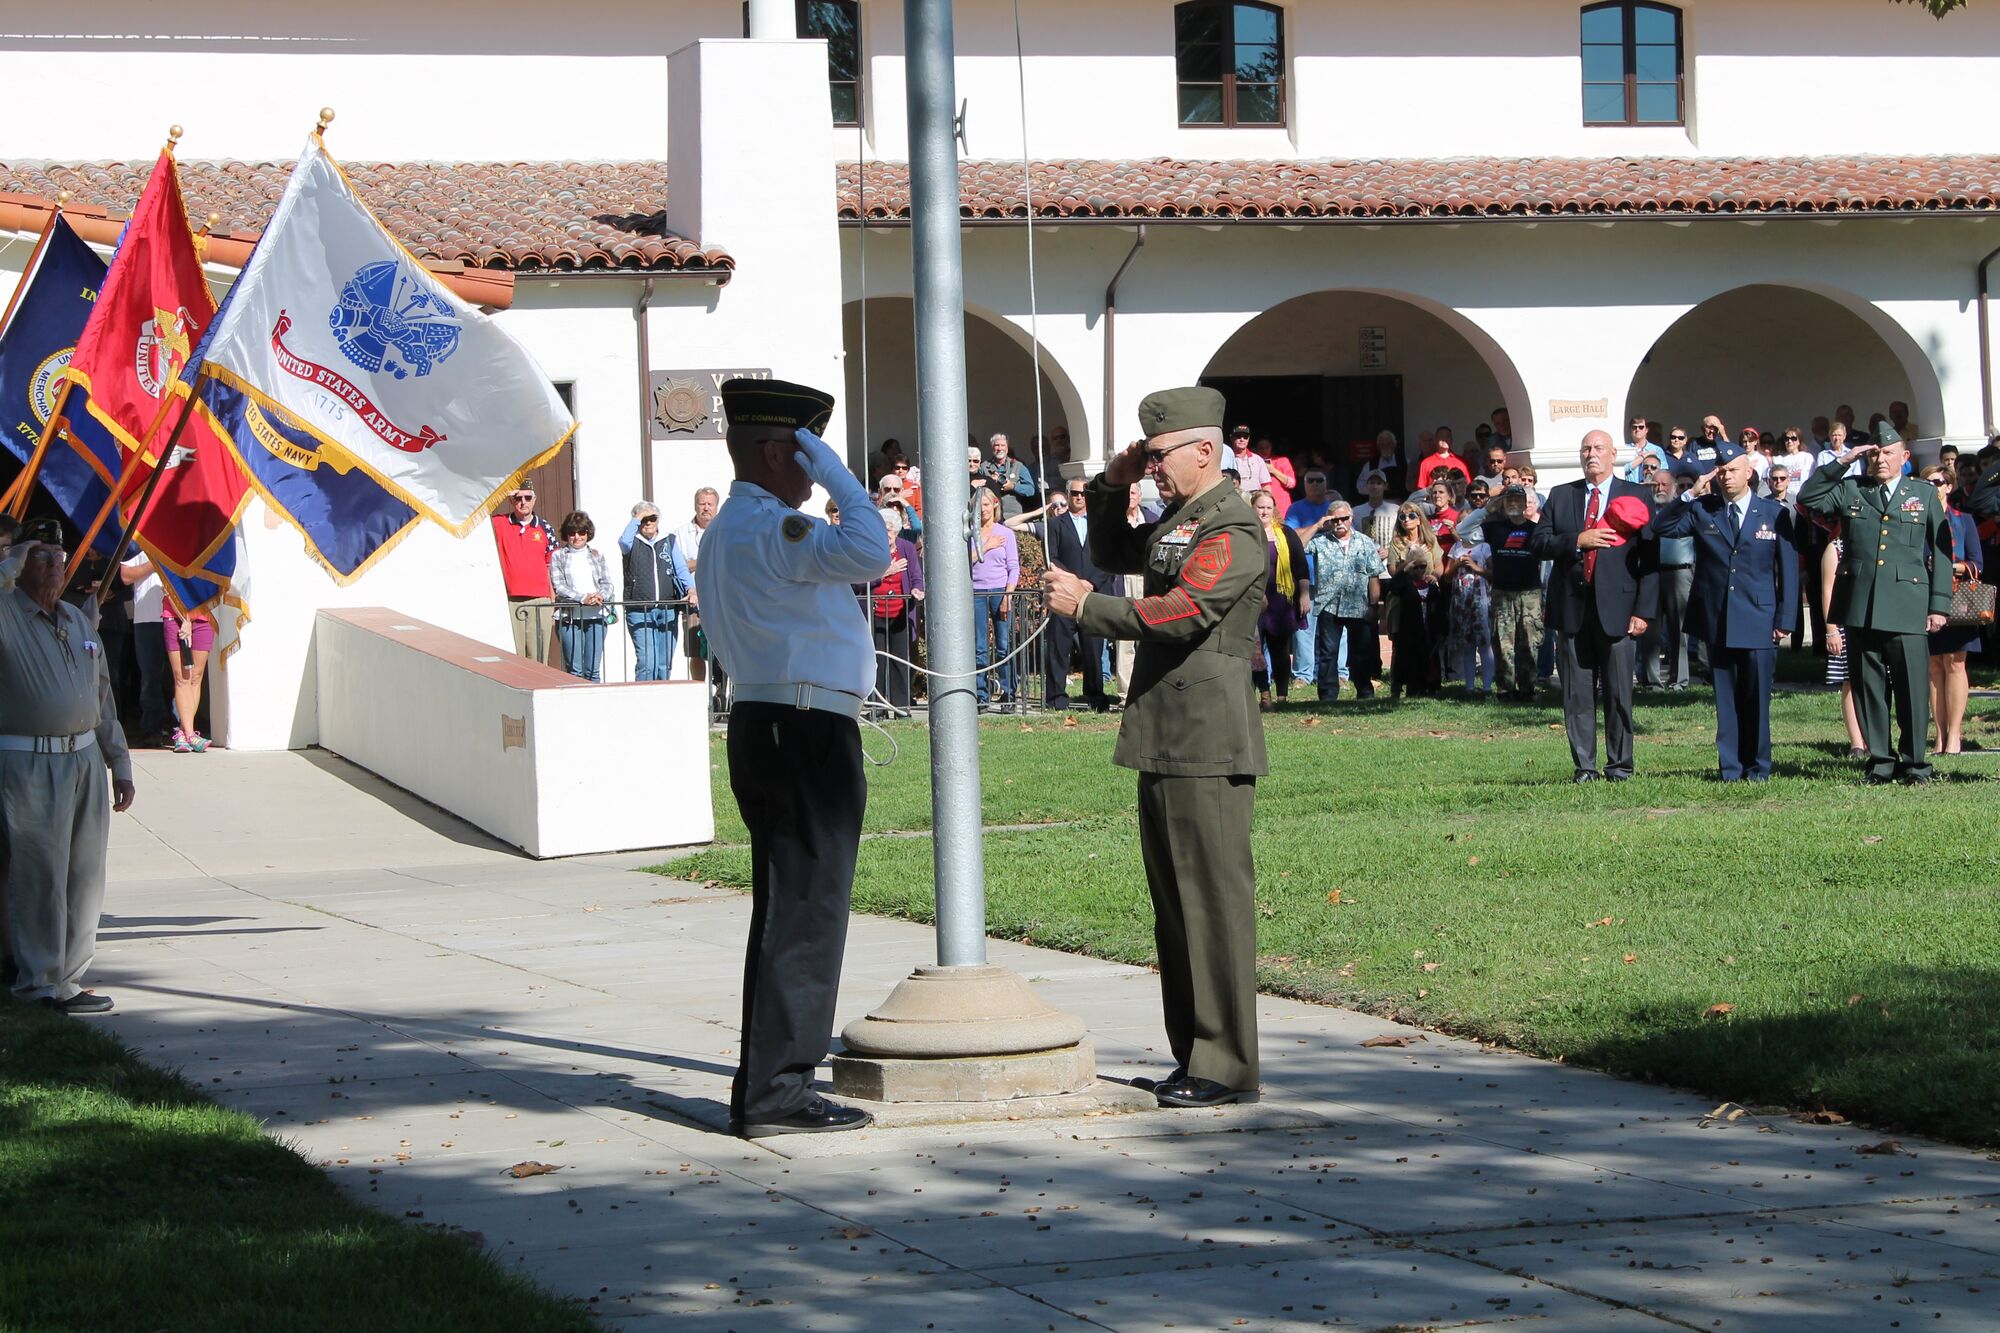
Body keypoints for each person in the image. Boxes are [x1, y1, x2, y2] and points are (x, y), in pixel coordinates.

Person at [1042, 387, 1266, 1109]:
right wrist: (1114, 484)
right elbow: (1112, 549)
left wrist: (1087, 608)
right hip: (1168, 732)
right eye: (1148, 456)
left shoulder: (1230, 527)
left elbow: (1184, 610)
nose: (1155, 467)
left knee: (1213, 906)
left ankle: (1227, 1063)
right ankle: (1194, 1052)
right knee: (1175, 909)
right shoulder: (1185, 519)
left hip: (1208, 738)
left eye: (1160, 455)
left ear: (1207, 450)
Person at [696, 378, 889, 1138]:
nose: (812, 477)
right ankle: (778, 1090)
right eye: (804, 455)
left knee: (790, 907)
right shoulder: (770, 529)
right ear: (779, 450)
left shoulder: (735, 530)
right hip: (800, 726)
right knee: (805, 910)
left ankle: (771, 1081)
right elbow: (873, 548)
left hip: (776, 722)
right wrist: (840, 472)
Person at [1, 542, 135, 1013]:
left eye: (60, 559)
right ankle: (39, 980)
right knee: (40, 874)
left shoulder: (78, 620)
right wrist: (9, 563)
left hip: (83, 760)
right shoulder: (6, 613)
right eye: (40, 558)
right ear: (20, 566)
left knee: (84, 875)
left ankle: (70, 979)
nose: (55, 568)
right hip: (28, 761)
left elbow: (102, 696)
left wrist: (119, 760)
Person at [1799, 428, 1952, 784]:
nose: (1880, 460)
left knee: (1912, 689)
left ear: (1904, 457)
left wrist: (1939, 605)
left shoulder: (1923, 494)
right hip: (1861, 604)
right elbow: (1809, 497)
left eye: (1887, 453)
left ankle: (1915, 764)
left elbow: (1942, 554)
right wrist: (1843, 462)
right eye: (1874, 454)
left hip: (1907, 605)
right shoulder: (1853, 489)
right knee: (1869, 688)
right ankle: (1881, 762)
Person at [1650, 440, 1797, 781]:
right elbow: (1661, 529)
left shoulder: (1773, 514)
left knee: (1756, 698)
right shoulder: (1704, 510)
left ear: (1749, 473)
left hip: (1759, 617)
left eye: (1734, 470)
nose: (1727, 477)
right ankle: (1730, 767)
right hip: (1717, 617)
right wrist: (1689, 494)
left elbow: (1787, 571)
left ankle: (1758, 767)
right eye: (1722, 471)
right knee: (1726, 699)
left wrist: (1786, 618)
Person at [1531, 431, 1658, 783]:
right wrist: (1577, 541)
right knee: (1577, 697)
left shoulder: (1636, 495)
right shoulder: (1561, 496)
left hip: (1619, 611)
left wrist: (1644, 611)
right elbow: (1538, 543)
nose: (1592, 454)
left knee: (1618, 695)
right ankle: (1585, 768)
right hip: (1572, 611)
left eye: (1599, 448)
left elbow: (1650, 561)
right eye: (1586, 448)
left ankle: (1620, 767)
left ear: (1613, 454)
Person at [1921, 465, 1980, 754]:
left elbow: (1977, 563)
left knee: (1955, 662)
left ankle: (1955, 734)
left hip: (1959, 600)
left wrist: (1953, 567)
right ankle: (1940, 734)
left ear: (1949, 486)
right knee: (1934, 665)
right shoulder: (1915, 520)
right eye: (1927, 482)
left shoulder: (1963, 520)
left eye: (1938, 482)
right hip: (1925, 598)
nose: (1933, 486)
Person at [1299, 500, 1384, 701]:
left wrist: (1374, 605)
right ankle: (1327, 695)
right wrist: (1318, 525)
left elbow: (1374, 576)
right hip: (1329, 605)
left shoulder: (1365, 542)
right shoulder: (1320, 542)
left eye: (1344, 518)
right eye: (1335, 519)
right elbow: (1298, 545)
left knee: (1361, 653)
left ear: (1351, 518)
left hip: (1359, 606)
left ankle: (1364, 692)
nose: (1340, 523)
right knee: (1328, 652)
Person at [1043, 476, 1114, 712]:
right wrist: (1073, 582)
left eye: (1083, 493)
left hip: (1092, 594)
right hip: (1064, 595)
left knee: (1093, 648)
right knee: (1058, 647)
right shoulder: (1055, 524)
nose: (1079, 497)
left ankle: (1095, 695)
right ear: (1068, 495)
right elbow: (1051, 558)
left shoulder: (1099, 524)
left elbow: (1107, 559)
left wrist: (1090, 584)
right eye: (1075, 493)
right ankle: (1056, 697)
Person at [1249, 489, 1310, 709]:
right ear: (1252, 508)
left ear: (1274, 509)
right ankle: (1264, 694)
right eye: (1260, 507)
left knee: (1280, 651)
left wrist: (1304, 595)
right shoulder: (1245, 533)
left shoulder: (1286, 533)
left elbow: (1301, 566)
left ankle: (1282, 697)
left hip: (1281, 600)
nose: (1264, 511)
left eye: (1268, 507)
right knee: (1255, 650)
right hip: (1253, 600)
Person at [1639, 469, 1697, 691]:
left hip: (1680, 573)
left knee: (1679, 629)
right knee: (1651, 629)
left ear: (1674, 488)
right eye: (1655, 484)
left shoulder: (1683, 511)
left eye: (1664, 485)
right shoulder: (1645, 511)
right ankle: (1653, 681)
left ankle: (1679, 679)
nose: (1660, 489)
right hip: (1652, 573)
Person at [622, 503, 692, 682]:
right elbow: (623, 541)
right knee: (647, 662)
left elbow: (681, 569)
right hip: (639, 609)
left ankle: (662, 702)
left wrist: (691, 589)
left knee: (664, 662)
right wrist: (637, 518)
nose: (648, 523)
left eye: (652, 518)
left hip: (667, 609)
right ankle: (643, 703)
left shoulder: (669, 540)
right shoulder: (631, 542)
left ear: (658, 520)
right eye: (643, 519)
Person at [1485, 486, 1542, 700]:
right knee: (1502, 642)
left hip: (1529, 592)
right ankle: (1505, 689)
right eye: (1509, 500)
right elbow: (1463, 530)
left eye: (1518, 499)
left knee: (1530, 641)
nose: (1514, 504)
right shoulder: (1494, 528)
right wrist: (1491, 505)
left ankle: (1528, 689)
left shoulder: (1535, 529)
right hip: (1502, 592)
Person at [493, 481, 559, 663]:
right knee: (513, 656)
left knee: (538, 657)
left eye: (527, 497)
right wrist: (504, 492)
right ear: (511, 501)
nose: (523, 502)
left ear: (534, 500)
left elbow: (552, 568)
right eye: (518, 498)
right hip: (511, 599)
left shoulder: (545, 528)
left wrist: (553, 602)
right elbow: (479, 512)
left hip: (540, 599)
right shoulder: (499, 523)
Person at [1384, 505, 1444, 699]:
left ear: (1419, 519)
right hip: (1403, 597)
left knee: (1428, 639)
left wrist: (1434, 576)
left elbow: (1439, 564)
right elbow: (1393, 572)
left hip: (1426, 593)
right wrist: (1407, 561)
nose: (1406, 520)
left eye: (1411, 516)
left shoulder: (1430, 540)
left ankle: (1428, 682)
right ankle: (1397, 684)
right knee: (1401, 644)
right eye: (1402, 517)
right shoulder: (1396, 543)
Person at [869, 506, 924, 716]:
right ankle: (878, 708)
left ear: (897, 531)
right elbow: (859, 582)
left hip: (900, 613)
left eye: (890, 531)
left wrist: (918, 590)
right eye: (882, 530)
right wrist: (885, 573)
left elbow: (916, 576)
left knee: (900, 661)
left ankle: (901, 708)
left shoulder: (907, 547)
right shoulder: (871, 548)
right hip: (875, 613)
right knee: (877, 661)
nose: (887, 535)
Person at [118, 552, 175, 746]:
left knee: (179, 675)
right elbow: (126, 576)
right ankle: (153, 728)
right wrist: (156, 563)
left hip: (176, 616)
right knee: (150, 676)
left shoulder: (175, 540)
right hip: (146, 618)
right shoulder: (136, 544)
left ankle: (180, 726)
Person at [550, 511, 613, 682]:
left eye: (582, 532)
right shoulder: (558, 556)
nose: (577, 537)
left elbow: (607, 583)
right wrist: (582, 598)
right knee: (574, 671)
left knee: (593, 670)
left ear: (588, 534)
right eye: (572, 533)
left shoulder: (597, 555)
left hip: (596, 616)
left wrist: (600, 596)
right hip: (569, 618)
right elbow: (559, 586)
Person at [161, 599, 214, 752]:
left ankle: (184, 732)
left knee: (196, 678)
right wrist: (186, 619)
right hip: (174, 615)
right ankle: (190, 734)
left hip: (204, 616)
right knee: (182, 677)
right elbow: (169, 589)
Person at [984, 433, 1037, 519]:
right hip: (991, 517)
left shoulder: (1018, 466)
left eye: (1003, 445)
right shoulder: (984, 467)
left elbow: (1031, 490)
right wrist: (990, 482)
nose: (1000, 448)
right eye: (997, 445)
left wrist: (1013, 486)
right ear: (992, 448)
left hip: (1013, 517)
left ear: (1007, 449)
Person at [1225, 424, 1272, 493]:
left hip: (1255, 499)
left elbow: (1266, 485)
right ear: (1231, 437)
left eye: (1245, 436)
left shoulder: (1258, 459)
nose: (1242, 439)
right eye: (1238, 436)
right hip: (1235, 498)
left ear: (1248, 438)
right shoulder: (1226, 458)